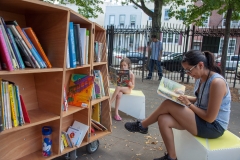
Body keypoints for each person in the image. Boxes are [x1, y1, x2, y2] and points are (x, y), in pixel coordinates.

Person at [125, 50, 231, 160]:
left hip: (214, 127)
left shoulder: (217, 83)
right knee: (163, 119)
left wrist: (188, 104)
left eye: (189, 70)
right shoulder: (201, 79)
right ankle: (172, 157)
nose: (188, 74)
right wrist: (179, 97)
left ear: (200, 65)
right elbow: (200, 100)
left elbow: (210, 118)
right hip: (200, 119)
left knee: (168, 104)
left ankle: (143, 125)